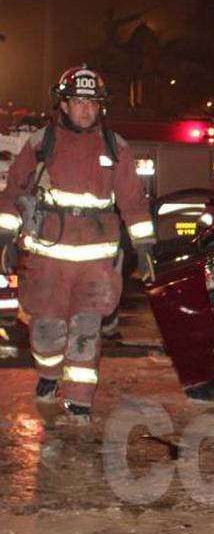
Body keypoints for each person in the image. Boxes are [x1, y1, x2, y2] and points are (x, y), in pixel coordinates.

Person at [0, 65, 155, 425]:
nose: (86, 109)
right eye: (78, 101)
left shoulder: (116, 148)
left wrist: (145, 246)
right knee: (47, 331)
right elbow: (13, 194)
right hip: (48, 259)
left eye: (93, 103)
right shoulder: (41, 143)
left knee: (86, 330)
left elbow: (133, 201)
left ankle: (80, 401)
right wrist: (6, 238)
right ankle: (50, 376)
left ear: (101, 107)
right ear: (64, 105)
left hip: (96, 263)